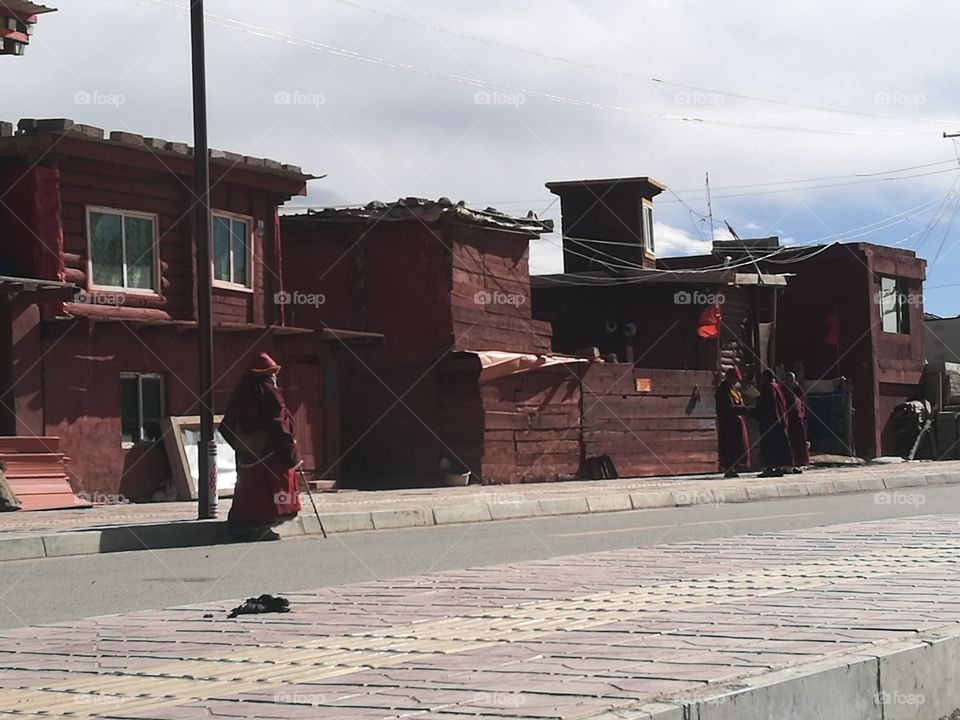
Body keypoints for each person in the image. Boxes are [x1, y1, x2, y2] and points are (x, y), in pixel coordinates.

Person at [220, 352, 302, 541]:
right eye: (272, 373)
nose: (274, 376)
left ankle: (243, 525)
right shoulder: (268, 391)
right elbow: (279, 424)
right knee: (271, 492)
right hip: (269, 453)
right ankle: (260, 527)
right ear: (266, 374)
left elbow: (227, 426)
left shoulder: (242, 392)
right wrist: (291, 454)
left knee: (248, 490)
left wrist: (241, 447)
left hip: (248, 454)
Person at [754, 369, 794, 477]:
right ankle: (778, 466)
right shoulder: (777, 387)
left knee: (769, 445)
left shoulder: (768, 387)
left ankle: (770, 467)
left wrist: (757, 413)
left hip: (770, 421)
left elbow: (769, 404)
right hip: (779, 420)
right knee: (777, 445)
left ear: (766, 377)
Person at [715, 367, 750, 478]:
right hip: (728, 423)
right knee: (729, 445)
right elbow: (727, 407)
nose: (736, 381)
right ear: (729, 378)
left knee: (738, 445)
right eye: (734, 379)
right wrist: (743, 410)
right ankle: (729, 468)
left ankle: (735, 466)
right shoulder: (723, 390)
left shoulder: (734, 390)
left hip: (737, 422)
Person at [783, 371, 811, 473]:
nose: (788, 382)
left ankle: (799, 463)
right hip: (788, 420)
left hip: (798, 420)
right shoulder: (785, 390)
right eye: (786, 380)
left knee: (798, 443)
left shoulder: (797, 390)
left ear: (794, 381)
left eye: (790, 380)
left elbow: (802, 405)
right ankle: (790, 463)